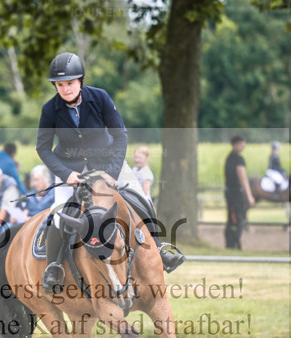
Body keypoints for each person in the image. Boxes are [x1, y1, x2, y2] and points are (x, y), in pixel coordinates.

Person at [36, 51, 182, 290]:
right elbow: (43, 148)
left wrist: (113, 171)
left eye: (70, 83)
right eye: (59, 85)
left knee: (142, 198)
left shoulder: (100, 98)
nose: (65, 89)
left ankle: (160, 248)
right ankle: (54, 266)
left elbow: (120, 135)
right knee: (58, 213)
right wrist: (66, 174)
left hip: (108, 163)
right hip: (70, 169)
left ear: (80, 81)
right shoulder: (50, 109)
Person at [223, 134, 254, 250]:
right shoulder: (238, 159)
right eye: (241, 144)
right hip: (236, 194)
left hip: (229, 193)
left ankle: (231, 243)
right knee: (237, 218)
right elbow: (242, 177)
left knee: (232, 218)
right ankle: (235, 243)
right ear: (235, 144)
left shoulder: (229, 158)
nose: (243, 146)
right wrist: (249, 195)